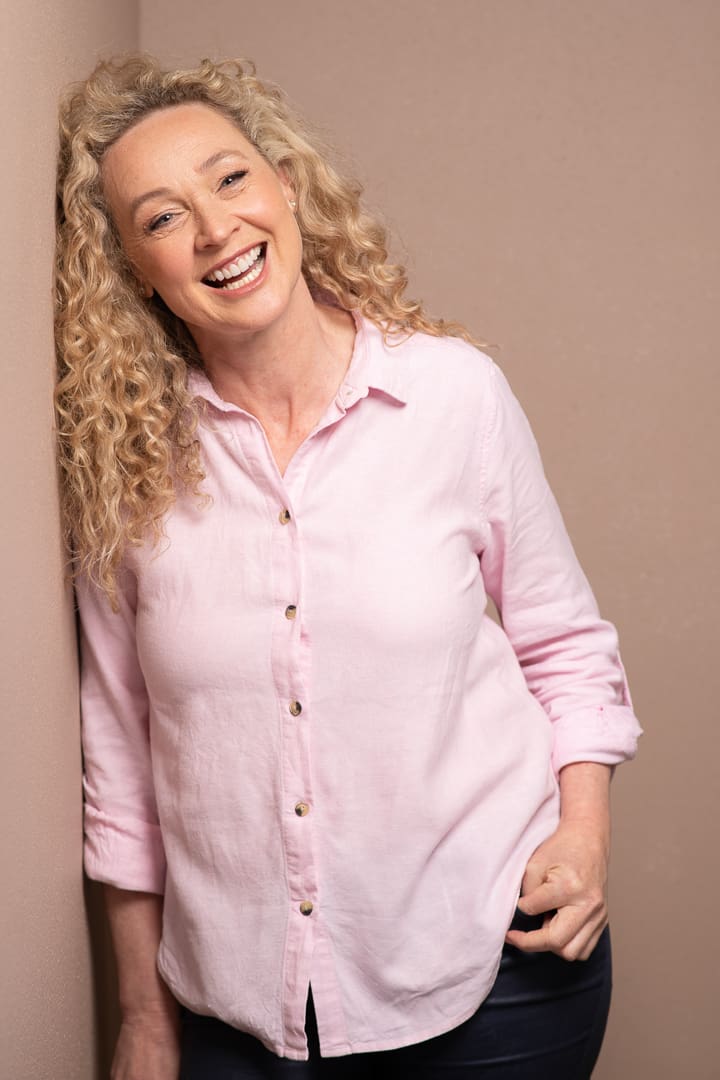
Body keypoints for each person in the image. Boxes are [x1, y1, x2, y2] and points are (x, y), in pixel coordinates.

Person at [55, 55, 642, 1080]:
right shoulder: (129, 471)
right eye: (161, 217)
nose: (215, 228)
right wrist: (143, 1019)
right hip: (238, 1014)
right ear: (132, 269)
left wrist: (586, 835)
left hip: (501, 982)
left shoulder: (454, 397)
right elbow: (121, 761)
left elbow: (567, 647)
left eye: (231, 179)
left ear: (285, 184)